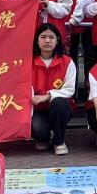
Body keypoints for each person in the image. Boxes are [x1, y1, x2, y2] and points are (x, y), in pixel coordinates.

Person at [30, 24, 76, 155]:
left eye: (51, 37)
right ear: (37, 40)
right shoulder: (28, 62)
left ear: (57, 40)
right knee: (39, 131)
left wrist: (48, 96)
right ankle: (43, 137)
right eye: (43, 37)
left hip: (60, 108)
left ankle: (59, 141)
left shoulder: (67, 62)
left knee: (59, 103)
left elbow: (70, 89)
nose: (47, 41)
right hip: (37, 109)